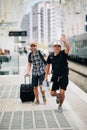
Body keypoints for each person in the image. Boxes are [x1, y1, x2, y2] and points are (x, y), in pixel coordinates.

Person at [45, 34, 70, 112]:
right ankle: (58, 96)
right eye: (56, 46)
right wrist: (46, 76)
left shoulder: (63, 53)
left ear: (60, 47)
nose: (57, 47)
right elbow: (48, 66)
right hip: (55, 77)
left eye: (59, 46)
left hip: (64, 76)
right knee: (52, 93)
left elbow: (68, 48)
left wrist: (65, 42)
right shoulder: (50, 56)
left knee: (62, 92)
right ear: (53, 47)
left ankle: (60, 106)